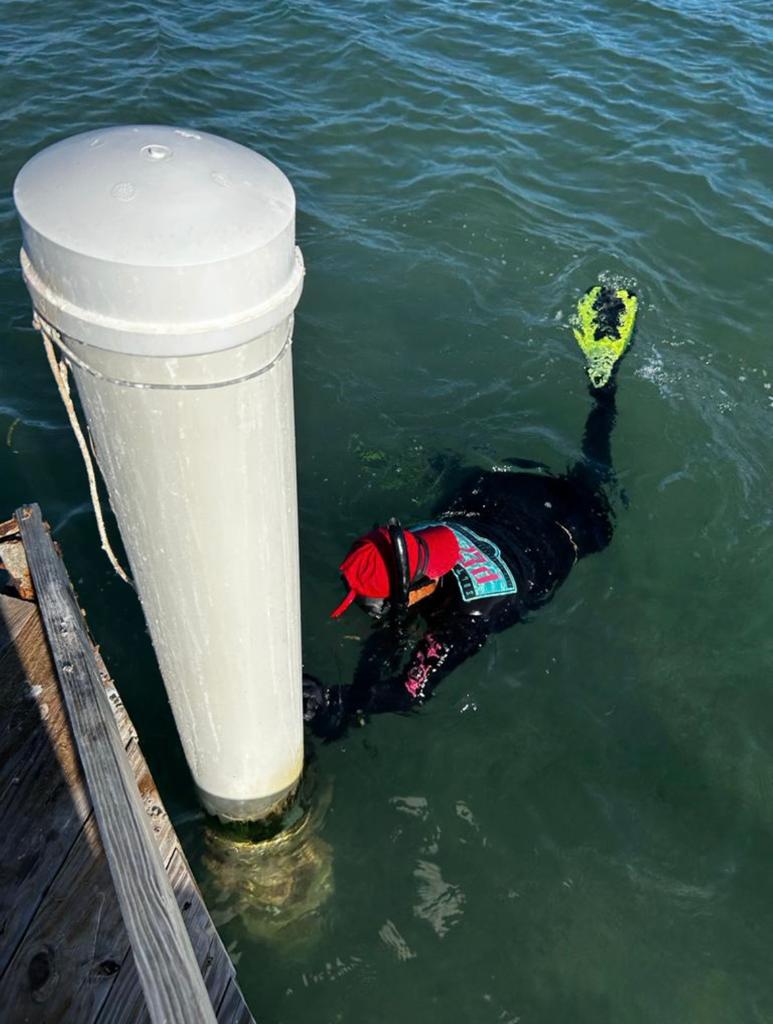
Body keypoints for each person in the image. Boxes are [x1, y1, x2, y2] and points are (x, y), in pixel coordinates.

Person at [304, 285, 636, 738]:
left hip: (572, 522)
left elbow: (411, 692)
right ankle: (599, 386)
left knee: (595, 478)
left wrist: (335, 700)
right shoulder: (415, 538)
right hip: (502, 495)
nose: (445, 556)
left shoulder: (470, 617)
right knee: (464, 489)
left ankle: (605, 382)